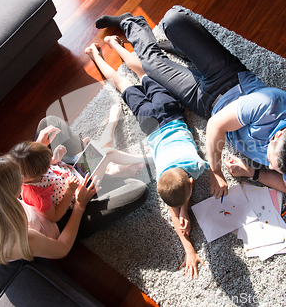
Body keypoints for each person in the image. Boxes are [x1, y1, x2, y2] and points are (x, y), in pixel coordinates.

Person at [95, 8, 286, 198]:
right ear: (276, 137)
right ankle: (164, 37)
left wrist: (252, 173)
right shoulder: (271, 103)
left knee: (151, 66)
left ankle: (132, 24)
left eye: (275, 168)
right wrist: (216, 172)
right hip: (227, 78)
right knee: (172, 20)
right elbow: (216, 126)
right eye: (273, 162)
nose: (271, 167)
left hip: (206, 103)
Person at [85, 36, 209, 280]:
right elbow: (178, 209)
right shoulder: (163, 168)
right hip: (149, 123)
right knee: (126, 83)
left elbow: (182, 198)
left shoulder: (195, 165)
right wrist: (183, 213)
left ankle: (107, 48)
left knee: (141, 75)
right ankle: (99, 52)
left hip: (171, 114)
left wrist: (184, 222)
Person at [13, 105, 151, 238]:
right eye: (46, 164)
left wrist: (55, 160)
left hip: (75, 171)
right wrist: (69, 191)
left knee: (98, 149)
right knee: (106, 152)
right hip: (81, 189)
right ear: (37, 173)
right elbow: (55, 216)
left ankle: (113, 169)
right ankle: (148, 158)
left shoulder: (27, 173)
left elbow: (48, 167)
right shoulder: (38, 196)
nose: (49, 164)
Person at [0, 155, 96, 265]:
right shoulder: (19, 239)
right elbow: (62, 248)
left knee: (46, 123)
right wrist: (79, 205)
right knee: (113, 199)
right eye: (19, 181)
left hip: (40, 206)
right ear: (8, 200)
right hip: (59, 228)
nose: (23, 178)